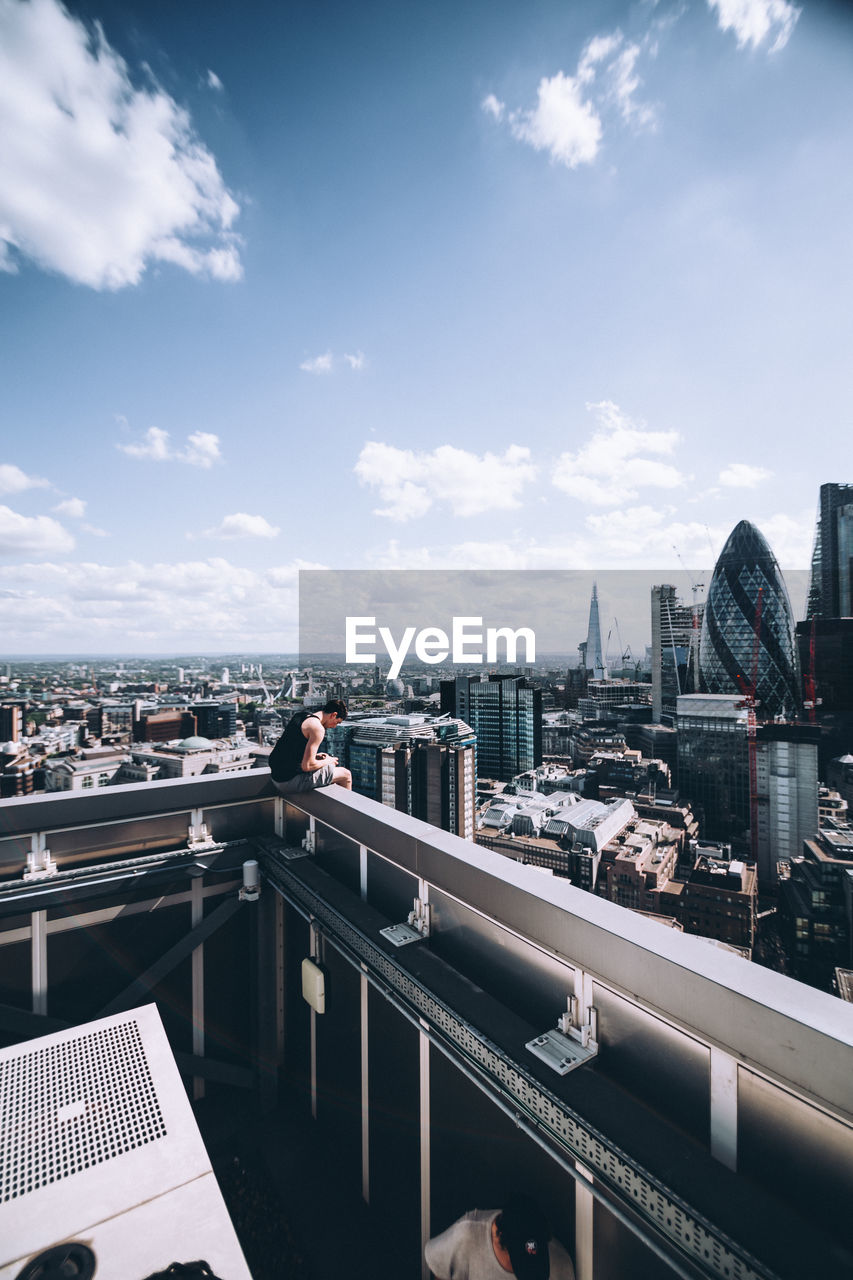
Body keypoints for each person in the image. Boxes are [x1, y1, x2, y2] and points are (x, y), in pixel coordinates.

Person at [425, 1195, 575, 1280]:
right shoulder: (467, 1236)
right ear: (499, 1238)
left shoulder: (559, 1264)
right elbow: (440, 1269)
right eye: (518, 1263)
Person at [269, 699, 352, 793]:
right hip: (288, 782)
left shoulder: (300, 716)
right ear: (334, 715)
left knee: (326, 764)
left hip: (276, 777)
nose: (334, 726)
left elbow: (290, 751)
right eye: (337, 722)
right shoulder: (317, 729)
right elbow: (307, 766)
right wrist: (329, 760)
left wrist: (315, 757)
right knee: (346, 774)